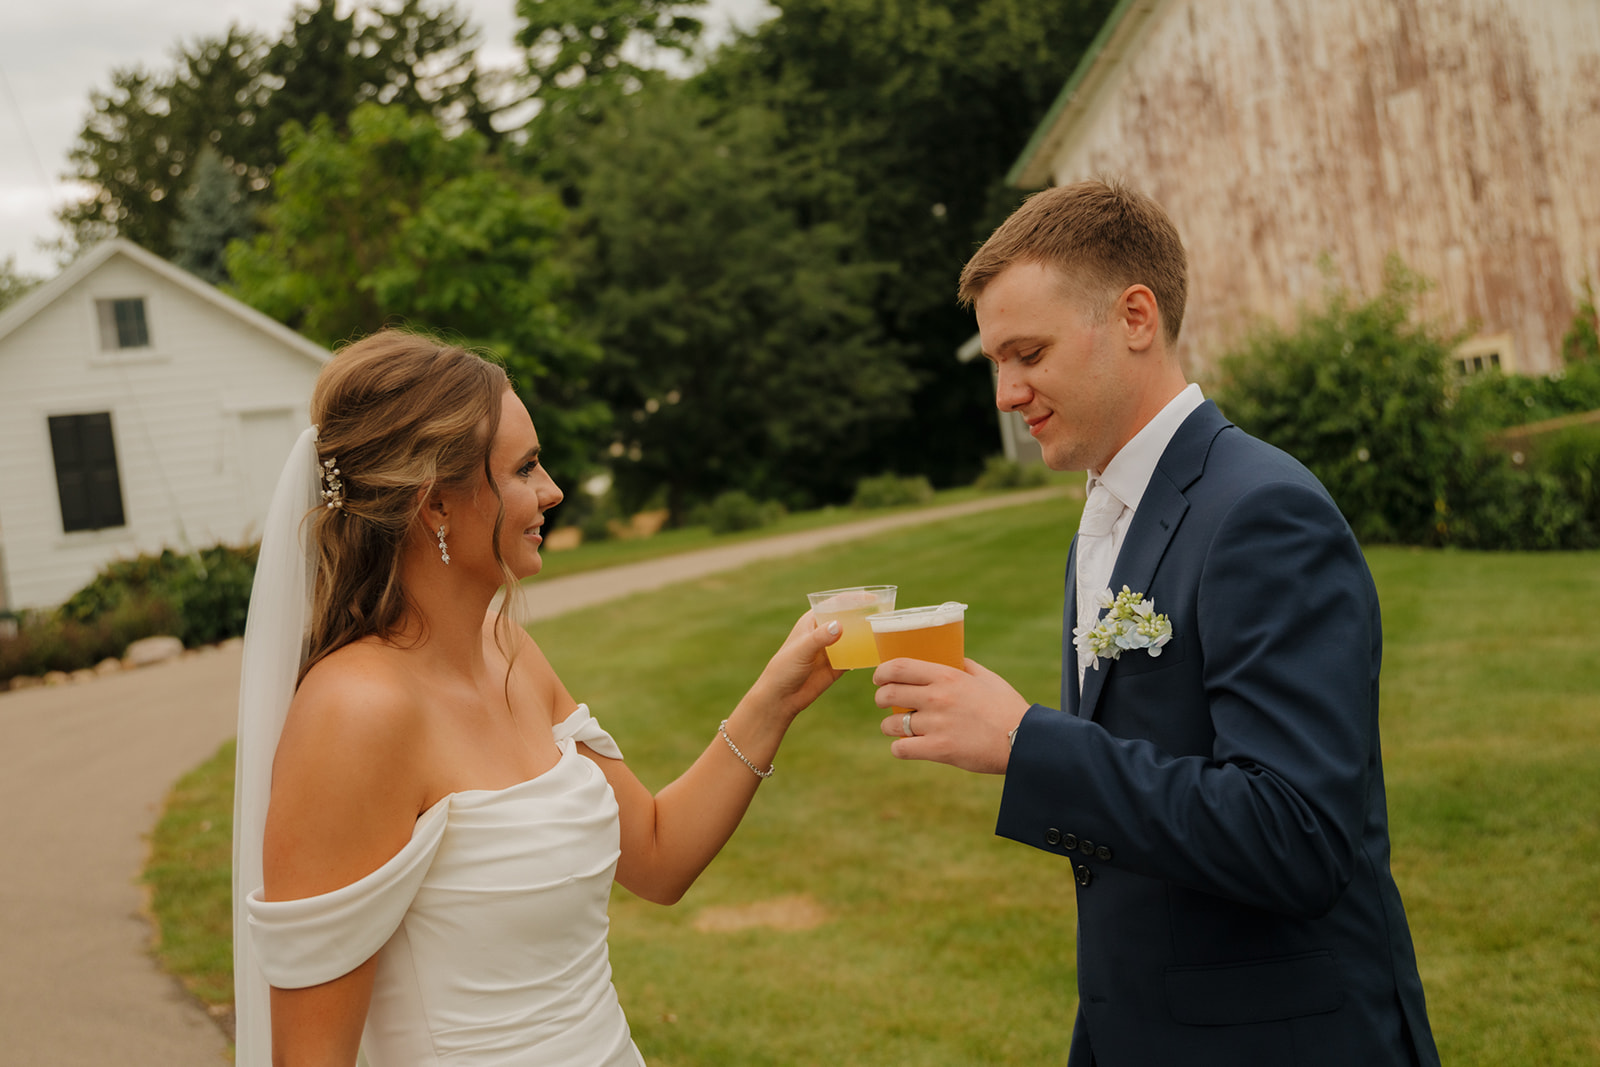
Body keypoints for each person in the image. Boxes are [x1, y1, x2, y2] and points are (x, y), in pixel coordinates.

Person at [872, 180, 1439, 1065]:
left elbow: (1298, 836)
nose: (1006, 393)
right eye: (995, 361)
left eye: (1028, 352)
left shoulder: (1262, 511)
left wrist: (1027, 743)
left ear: (1136, 316)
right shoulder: (1107, 512)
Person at [231, 329, 843, 1066]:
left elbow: (655, 852)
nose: (552, 489)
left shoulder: (511, 652)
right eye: (524, 468)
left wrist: (776, 696)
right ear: (435, 507)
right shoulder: (355, 713)